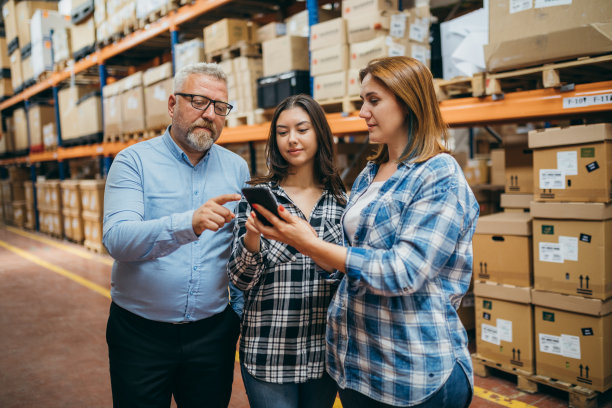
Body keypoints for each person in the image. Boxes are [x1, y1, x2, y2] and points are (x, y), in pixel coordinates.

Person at [249, 56, 479, 408]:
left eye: (373, 100)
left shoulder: (437, 173)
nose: (362, 111)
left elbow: (403, 272)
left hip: (412, 371)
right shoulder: (370, 175)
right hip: (358, 368)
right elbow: (344, 261)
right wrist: (297, 241)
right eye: (362, 101)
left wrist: (309, 244)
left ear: (408, 101)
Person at [102, 62, 250, 408]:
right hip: (141, 335)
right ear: (172, 105)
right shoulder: (133, 162)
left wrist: (236, 315)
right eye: (198, 101)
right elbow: (118, 240)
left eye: (220, 107)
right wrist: (189, 224)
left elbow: (240, 247)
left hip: (212, 335)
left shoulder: (236, 167)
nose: (210, 114)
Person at [227, 94, 347, 408]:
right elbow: (239, 280)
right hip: (270, 350)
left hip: (324, 353)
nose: (291, 139)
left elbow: (349, 275)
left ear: (320, 133)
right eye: (282, 132)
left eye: (301, 129)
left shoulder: (342, 202)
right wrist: (252, 239)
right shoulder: (259, 197)